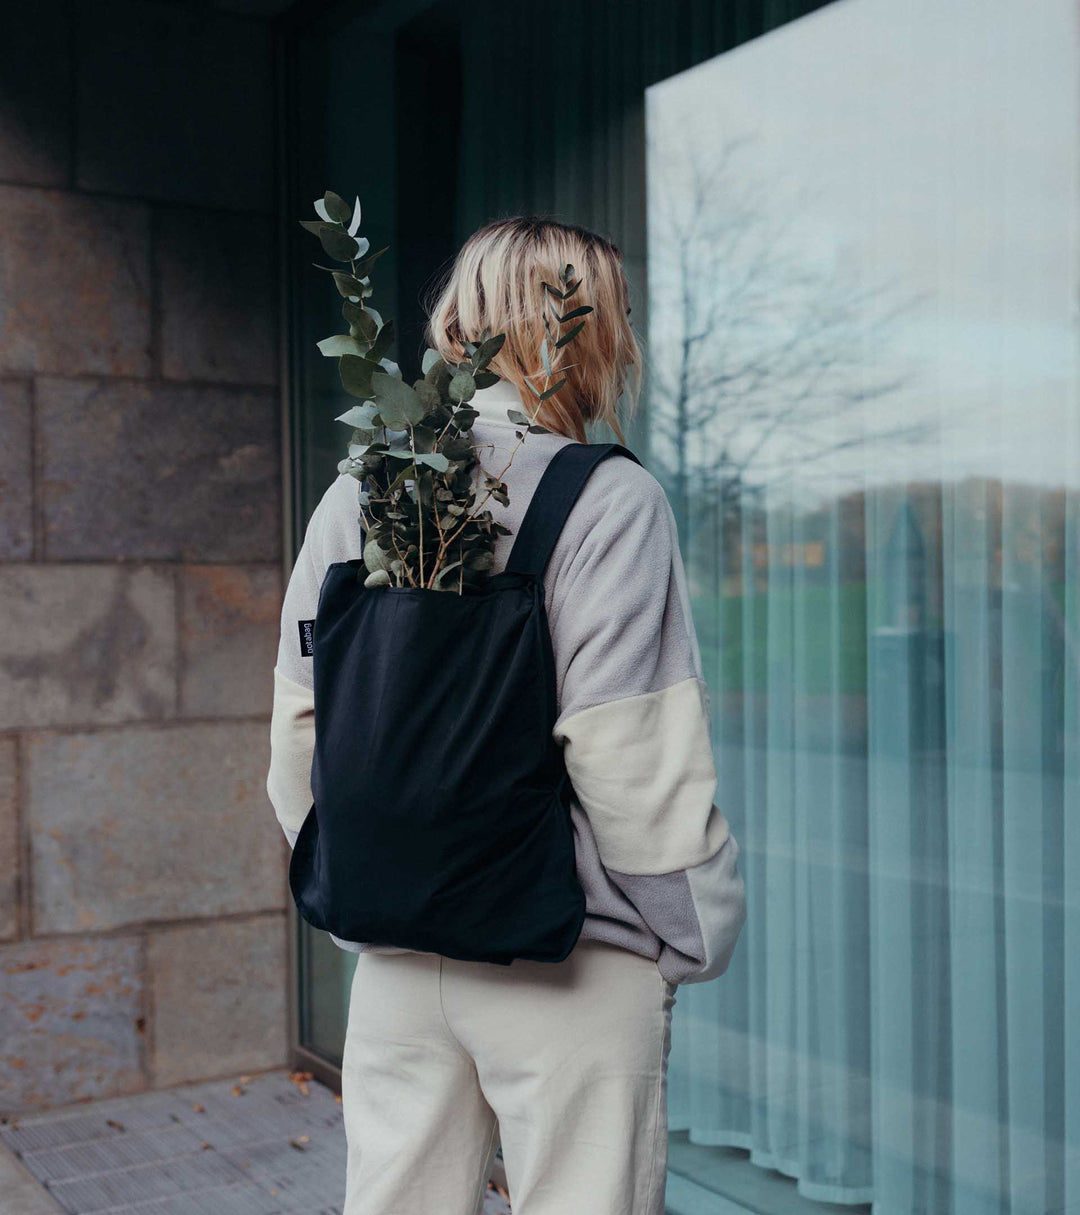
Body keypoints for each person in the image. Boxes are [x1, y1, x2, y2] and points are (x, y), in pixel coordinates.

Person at [266, 216, 747, 1215]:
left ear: (459, 323)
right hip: (568, 957)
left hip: (397, 960)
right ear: (594, 331)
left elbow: (303, 727)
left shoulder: (359, 491)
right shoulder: (606, 497)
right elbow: (630, 749)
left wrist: (368, 885)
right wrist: (693, 932)